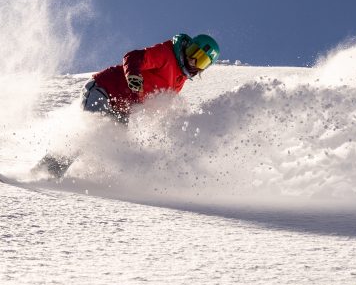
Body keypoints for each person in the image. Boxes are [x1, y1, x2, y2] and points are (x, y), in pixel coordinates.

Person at [39, 32, 220, 177]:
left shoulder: (180, 80)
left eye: (201, 60)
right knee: (92, 132)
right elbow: (133, 56)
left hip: (122, 109)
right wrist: (133, 75)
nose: (193, 60)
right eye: (193, 52)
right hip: (103, 90)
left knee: (113, 148)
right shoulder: (167, 54)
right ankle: (46, 171)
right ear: (188, 46)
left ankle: (86, 181)